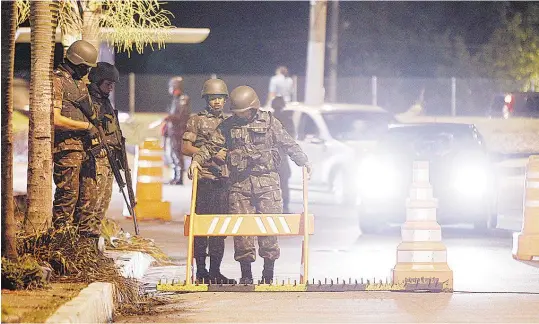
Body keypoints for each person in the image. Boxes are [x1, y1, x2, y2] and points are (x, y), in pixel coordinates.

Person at [189, 86, 312, 284]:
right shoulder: (228, 126)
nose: (240, 116)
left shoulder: (270, 122)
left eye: (243, 112)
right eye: (237, 112)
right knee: (242, 232)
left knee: (269, 229)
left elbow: (287, 143)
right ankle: (246, 275)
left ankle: (268, 274)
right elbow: (211, 146)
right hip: (240, 186)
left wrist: (303, 161)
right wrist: (197, 160)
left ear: (253, 108)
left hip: (267, 184)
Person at [182, 78, 235, 284]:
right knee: (202, 227)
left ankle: (215, 271)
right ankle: (201, 271)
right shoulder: (196, 120)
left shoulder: (230, 122)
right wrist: (211, 156)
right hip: (204, 180)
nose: (217, 103)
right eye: (213, 99)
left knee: (219, 229)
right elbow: (186, 148)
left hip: (223, 181)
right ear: (207, 99)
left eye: (221, 99)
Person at [52, 40, 100, 237]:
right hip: (67, 149)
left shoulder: (79, 83)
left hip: (84, 148)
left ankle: (82, 243)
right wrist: (86, 126)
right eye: (86, 67)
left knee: (87, 196)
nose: (87, 72)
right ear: (78, 63)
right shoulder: (57, 80)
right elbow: (55, 119)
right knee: (67, 197)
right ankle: (61, 242)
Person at [87, 62, 121, 222]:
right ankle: (87, 241)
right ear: (97, 81)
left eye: (112, 84)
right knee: (93, 203)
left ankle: (95, 238)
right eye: (108, 84)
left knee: (103, 203)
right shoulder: (90, 102)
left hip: (109, 157)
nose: (111, 88)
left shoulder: (105, 101)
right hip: (97, 158)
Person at [164, 76, 191, 185]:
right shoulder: (176, 100)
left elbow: (180, 116)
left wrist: (170, 118)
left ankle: (179, 178)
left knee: (178, 154)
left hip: (179, 131)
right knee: (173, 153)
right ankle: (175, 176)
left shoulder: (183, 99)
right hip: (173, 131)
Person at [271, 96, 295, 213]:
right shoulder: (287, 119)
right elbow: (291, 139)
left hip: (272, 157)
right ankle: (284, 206)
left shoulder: (269, 119)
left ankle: (279, 206)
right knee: (283, 183)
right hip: (280, 157)